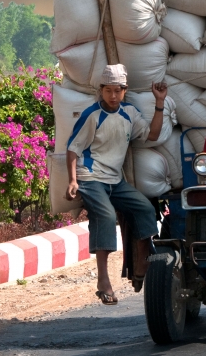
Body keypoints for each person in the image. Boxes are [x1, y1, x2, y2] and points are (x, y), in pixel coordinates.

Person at [65, 65, 168, 305]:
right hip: (90, 177)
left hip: (115, 180)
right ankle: (103, 280)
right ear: (101, 90)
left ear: (125, 91)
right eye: (108, 90)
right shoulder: (92, 114)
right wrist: (72, 180)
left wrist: (160, 103)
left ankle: (142, 262)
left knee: (144, 208)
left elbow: (151, 135)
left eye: (117, 91)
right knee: (107, 216)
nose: (113, 96)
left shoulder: (129, 113)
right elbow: (73, 148)